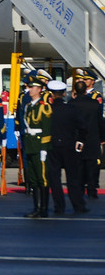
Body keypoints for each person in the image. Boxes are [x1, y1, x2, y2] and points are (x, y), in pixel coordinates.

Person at [47, 79, 89, 214]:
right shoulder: (71, 109)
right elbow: (83, 127)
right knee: (73, 178)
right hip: (69, 145)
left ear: (51, 94)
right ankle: (78, 205)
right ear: (64, 93)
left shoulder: (49, 110)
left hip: (52, 146)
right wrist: (80, 140)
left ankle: (59, 206)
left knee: (54, 178)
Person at [70, 79, 105, 201]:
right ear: (85, 90)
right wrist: (102, 137)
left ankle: (79, 190)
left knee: (78, 166)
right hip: (92, 138)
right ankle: (92, 190)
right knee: (92, 166)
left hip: (77, 139)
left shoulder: (71, 104)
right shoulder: (95, 104)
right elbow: (100, 122)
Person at [21, 77, 52, 218]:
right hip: (30, 145)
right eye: (29, 87)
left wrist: (44, 149)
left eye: (33, 87)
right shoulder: (28, 106)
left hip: (40, 146)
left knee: (42, 178)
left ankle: (43, 209)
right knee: (33, 178)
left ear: (39, 89)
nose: (30, 90)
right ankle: (36, 207)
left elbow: (46, 129)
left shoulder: (44, 107)